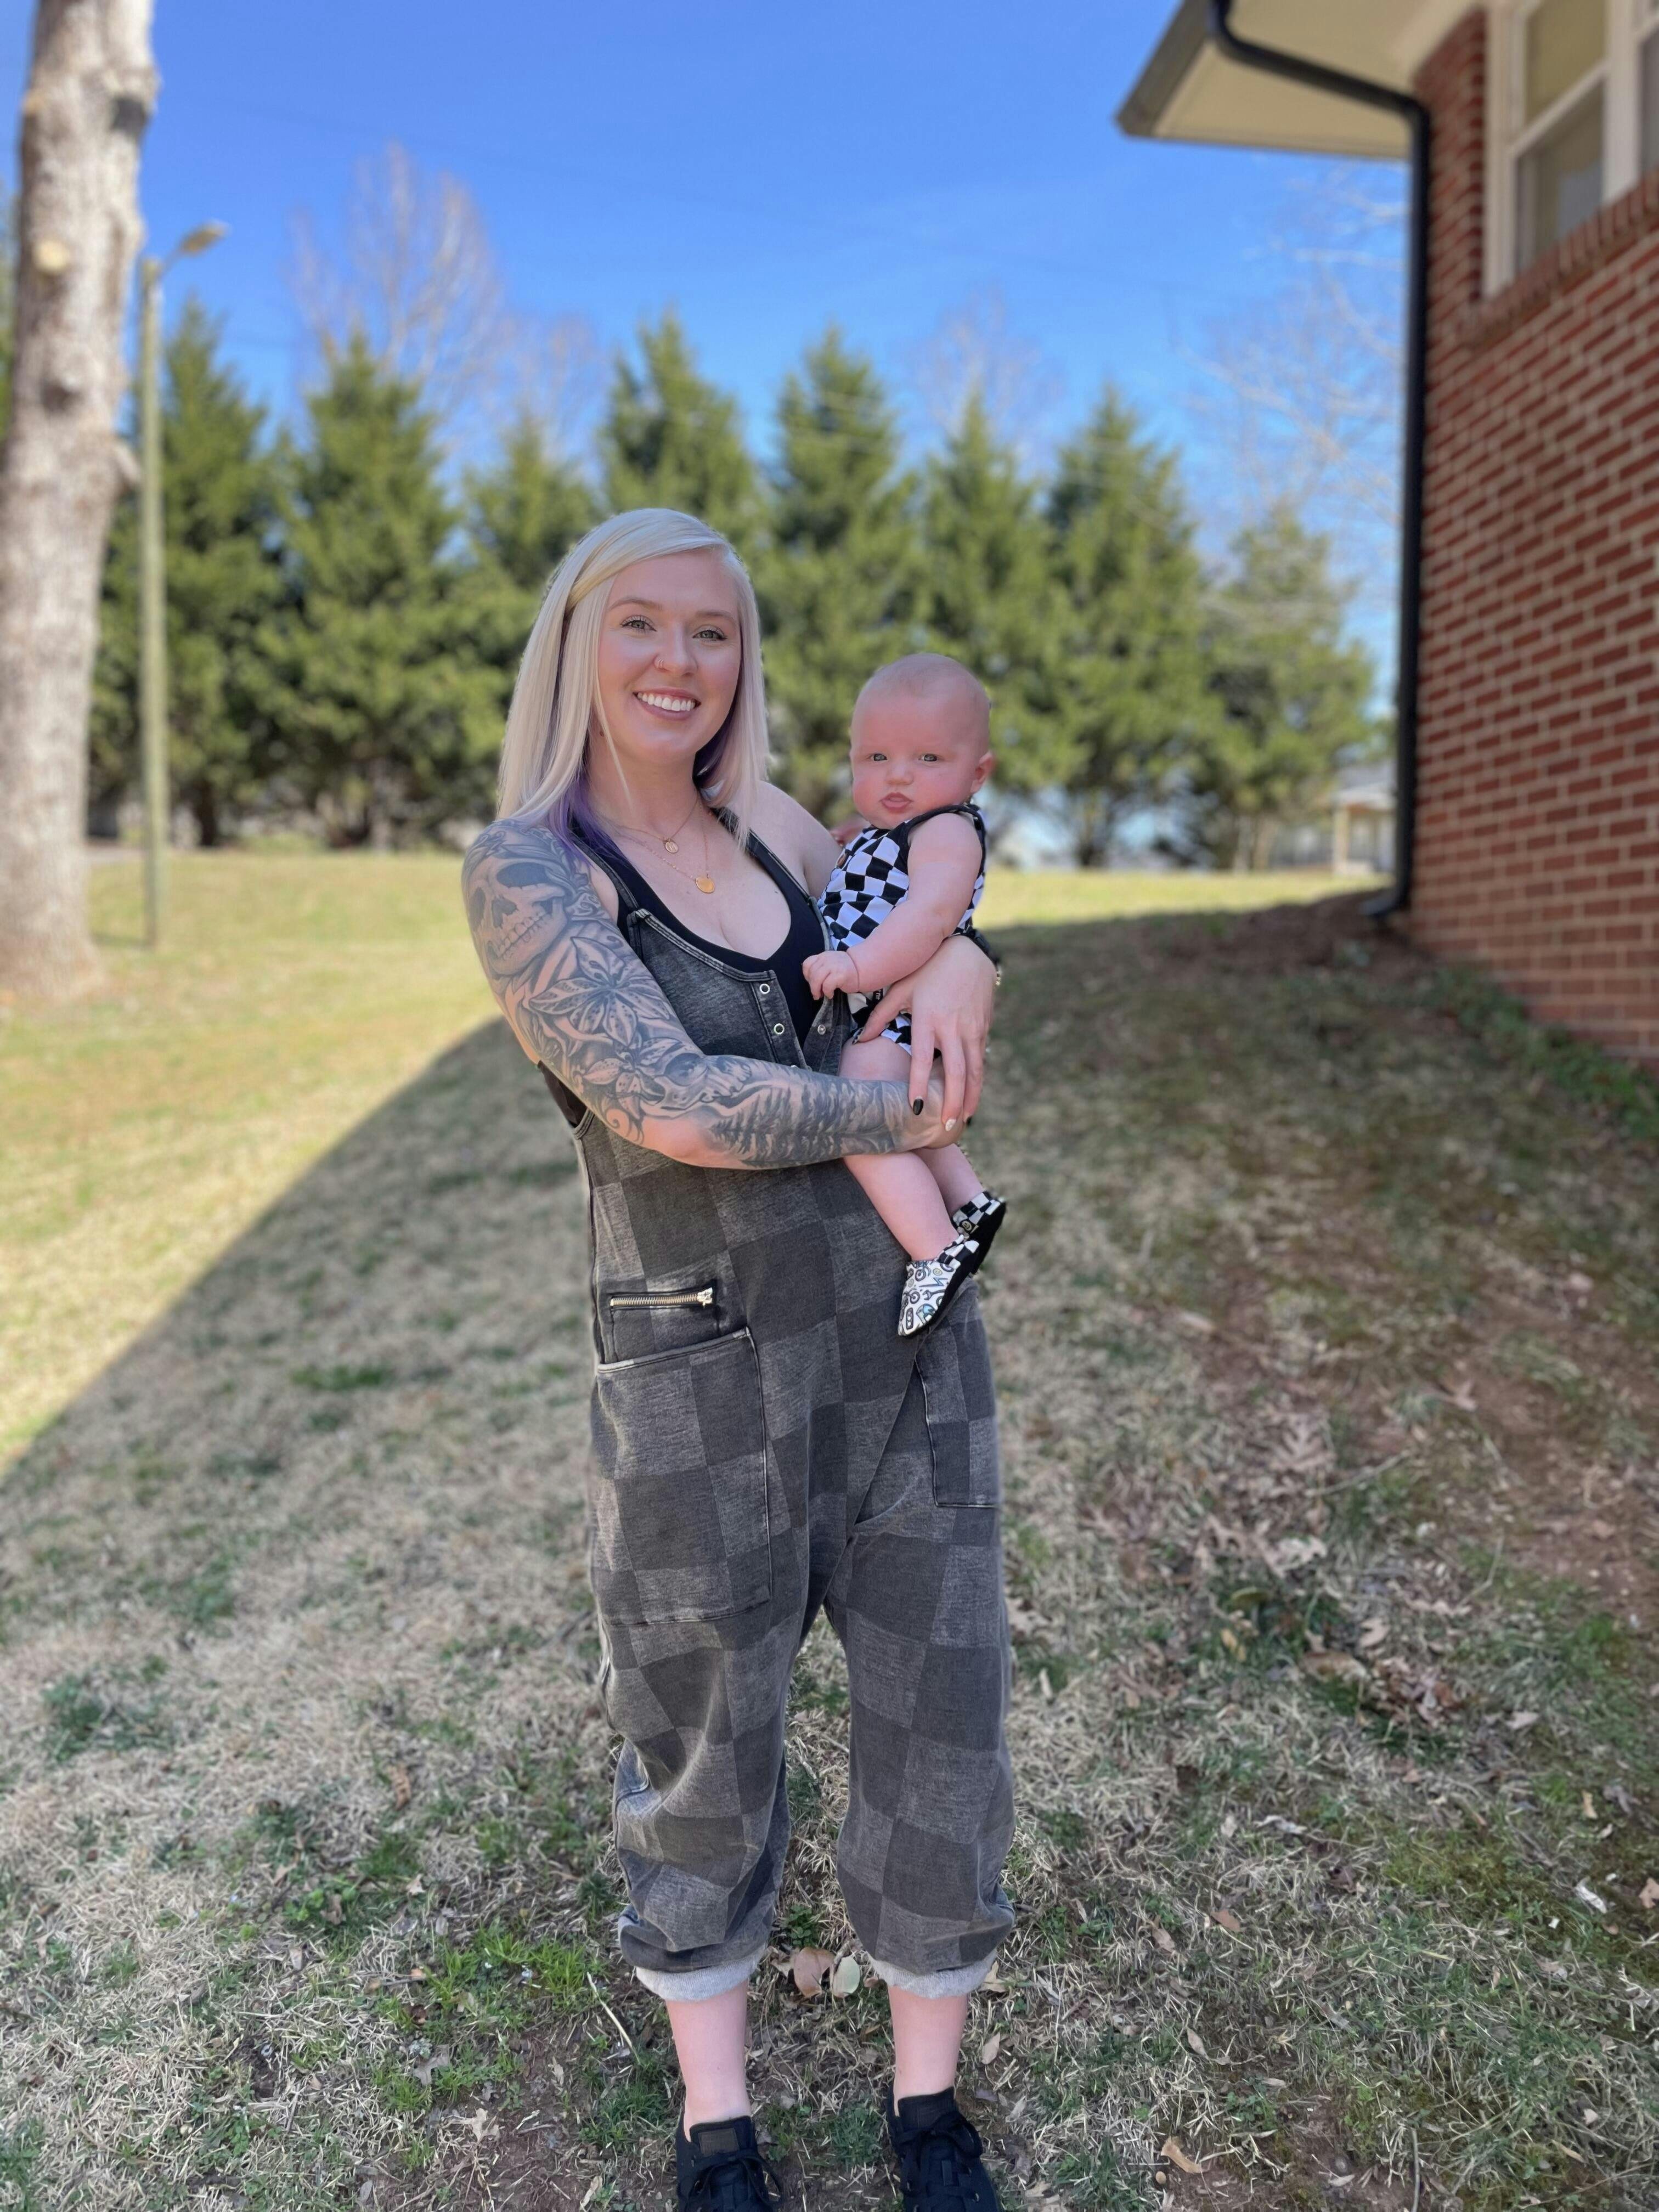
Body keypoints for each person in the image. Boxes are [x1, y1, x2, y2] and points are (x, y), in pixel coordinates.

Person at [461, 509, 1014, 2212]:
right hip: (699, 1381)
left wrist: (974, 960)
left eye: (714, 631)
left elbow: (922, 893)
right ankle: (722, 2130)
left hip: (909, 1351)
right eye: (641, 622)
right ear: (577, 640)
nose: (679, 661)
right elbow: (672, 1102)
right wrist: (898, 1113)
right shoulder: (533, 871)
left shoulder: (773, 824)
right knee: (703, 1754)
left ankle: (929, 2113)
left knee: (944, 1725)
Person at [803, 654, 1008, 1338]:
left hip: (896, 1008)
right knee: (902, 1116)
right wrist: (849, 846)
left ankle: (935, 1250)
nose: (897, 775)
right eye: (877, 757)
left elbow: (929, 914)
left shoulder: (946, 830)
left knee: (861, 1119)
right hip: (884, 1006)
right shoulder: (887, 834)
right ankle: (970, 1201)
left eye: (927, 758)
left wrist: (859, 966)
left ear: (977, 774)